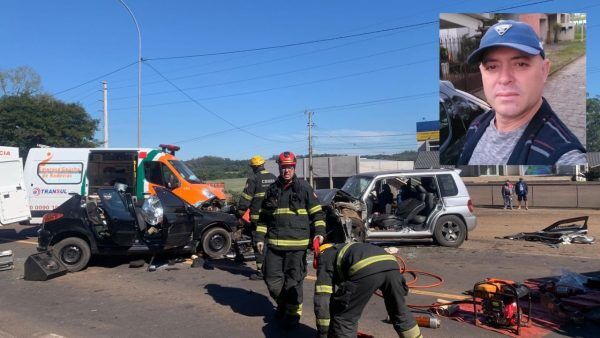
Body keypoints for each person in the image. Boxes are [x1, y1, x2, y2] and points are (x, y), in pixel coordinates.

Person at [457, 20, 587, 165]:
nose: (505, 79)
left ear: (544, 70)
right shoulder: (476, 125)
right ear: (482, 73)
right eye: (492, 67)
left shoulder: (563, 158)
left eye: (520, 64)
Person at [255, 151, 326, 328]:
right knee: (271, 280)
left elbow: (318, 213)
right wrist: (259, 237)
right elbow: (264, 217)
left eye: (290, 167)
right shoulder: (272, 190)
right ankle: (284, 304)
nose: (287, 170)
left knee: (293, 282)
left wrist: (319, 232)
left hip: (297, 245)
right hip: (274, 245)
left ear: (294, 167)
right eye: (284, 167)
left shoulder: (304, 188)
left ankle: (293, 314)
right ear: (279, 167)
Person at [313, 242, 421, 338]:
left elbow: (322, 300)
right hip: (391, 264)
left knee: (344, 318)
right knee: (399, 311)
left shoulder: (325, 257)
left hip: (365, 268)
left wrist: (323, 333)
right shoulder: (346, 249)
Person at [236, 155, 276, 280]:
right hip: (274, 218)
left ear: (254, 167)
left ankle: (261, 271)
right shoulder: (273, 178)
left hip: (258, 219)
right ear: (263, 164)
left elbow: (246, 198)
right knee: (272, 243)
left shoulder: (253, 178)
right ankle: (274, 270)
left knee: (259, 243)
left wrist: (240, 212)